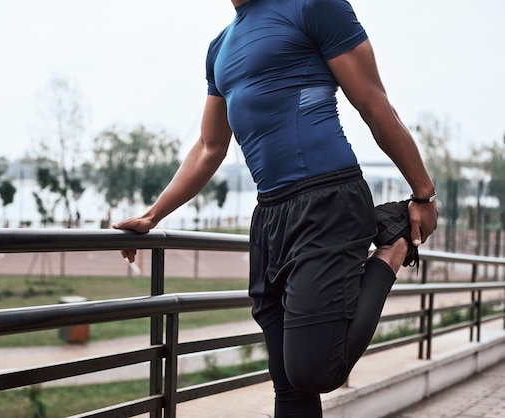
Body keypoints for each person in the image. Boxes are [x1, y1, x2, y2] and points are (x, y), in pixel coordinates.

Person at [113, 0, 438, 416]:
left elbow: (374, 103)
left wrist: (423, 194)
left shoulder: (313, 6)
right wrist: (154, 214)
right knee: (287, 381)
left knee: (315, 369)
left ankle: (392, 247)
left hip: (327, 199)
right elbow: (210, 146)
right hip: (269, 215)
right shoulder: (220, 47)